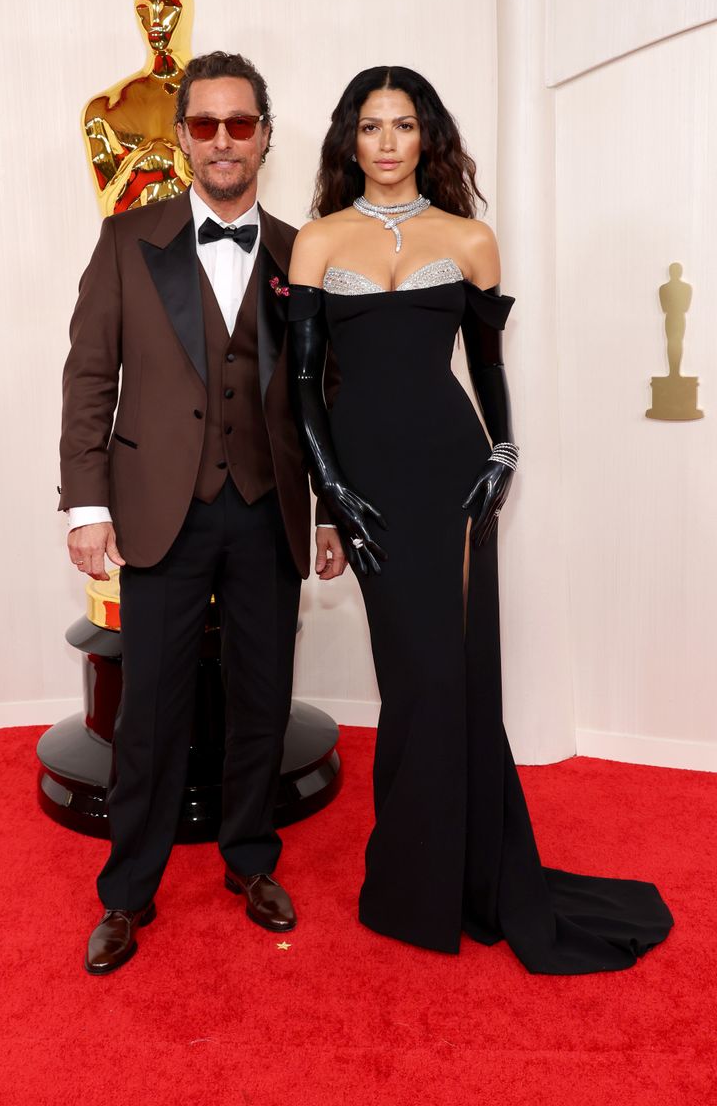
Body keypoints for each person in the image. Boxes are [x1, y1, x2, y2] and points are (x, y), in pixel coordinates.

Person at [286, 65, 673, 974]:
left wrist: (504, 453)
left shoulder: (469, 239)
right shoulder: (316, 242)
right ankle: (418, 880)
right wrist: (331, 492)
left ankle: (460, 880)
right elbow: (303, 385)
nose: (387, 142)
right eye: (372, 126)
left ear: (429, 138)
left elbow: (487, 368)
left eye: (405, 126)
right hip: (368, 480)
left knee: (454, 675)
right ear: (351, 139)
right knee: (412, 676)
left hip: (453, 473)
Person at [60, 51, 346, 976]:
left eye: (241, 123)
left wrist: (332, 511)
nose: (224, 141)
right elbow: (88, 378)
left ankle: (251, 862)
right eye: (205, 124)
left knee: (263, 699)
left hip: (268, 510)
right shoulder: (124, 240)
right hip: (156, 510)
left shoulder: (308, 253)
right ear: (181, 136)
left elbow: (327, 397)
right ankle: (128, 893)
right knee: (151, 711)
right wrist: (87, 505)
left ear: (266, 132)